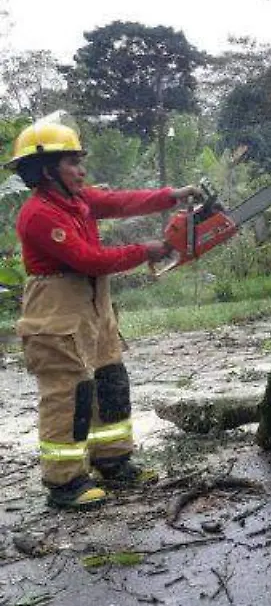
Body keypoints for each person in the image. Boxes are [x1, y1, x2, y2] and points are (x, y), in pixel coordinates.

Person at [6, 118, 203, 510]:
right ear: (46, 170)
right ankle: (65, 482)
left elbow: (119, 202)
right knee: (68, 392)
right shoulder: (39, 214)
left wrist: (172, 196)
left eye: (80, 161)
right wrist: (144, 251)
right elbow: (88, 259)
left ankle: (113, 461)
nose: (81, 170)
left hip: (94, 301)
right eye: (72, 163)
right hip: (57, 304)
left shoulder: (76, 200)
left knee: (110, 379)